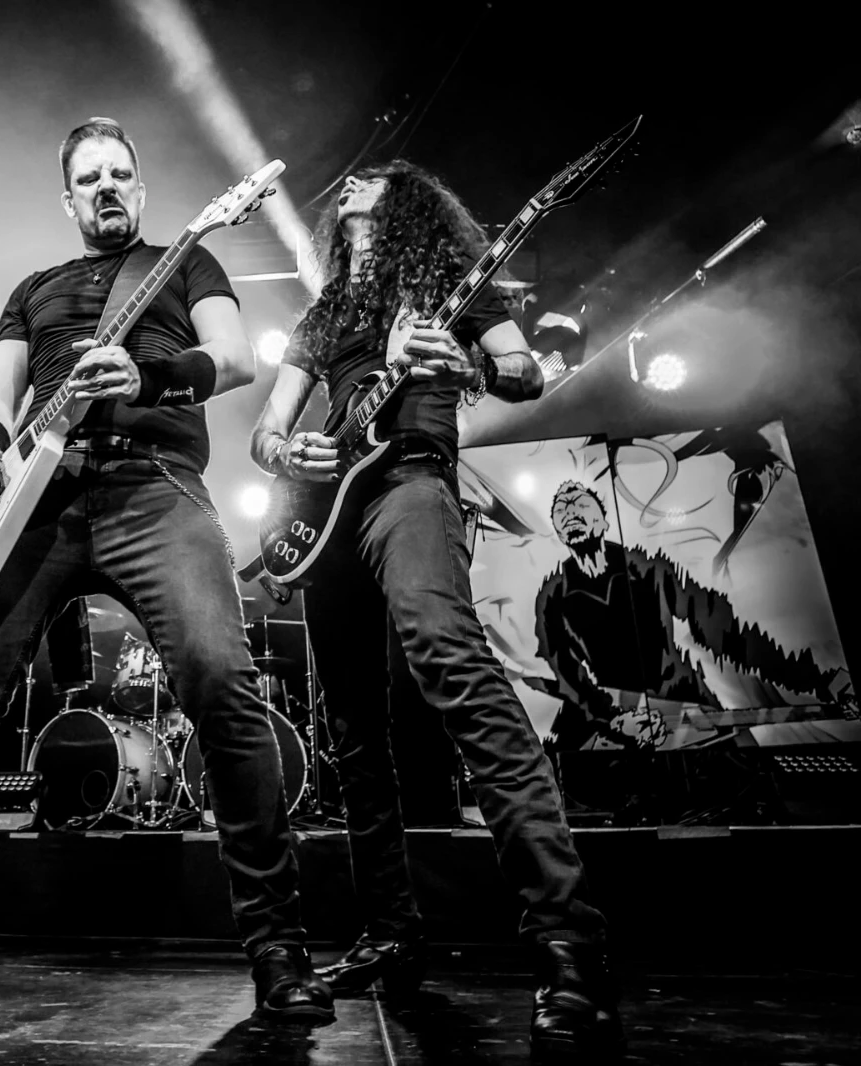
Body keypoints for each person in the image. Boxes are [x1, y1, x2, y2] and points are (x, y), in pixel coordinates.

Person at [0, 118, 334, 1023]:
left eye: (120, 173)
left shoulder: (185, 263)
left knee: (221, 682)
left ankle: (279, 952)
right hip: (40, 502)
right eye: (89, 178)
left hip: (154, 485)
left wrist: (148, 378)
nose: (106, 187)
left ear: (140, 187)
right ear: (68, 198)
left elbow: (236, 357)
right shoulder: (34, 290)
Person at [249, 162, 621, 1057]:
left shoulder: (454, 283)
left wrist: (466, 363)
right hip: (327, 513)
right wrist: (286, 454)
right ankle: (390, 932)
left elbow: (524, 373)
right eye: (347, 183)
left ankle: (569, 945)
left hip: (411, 480)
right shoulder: (325, 312)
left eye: (371, 179)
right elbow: (268, 429)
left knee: (454, 665)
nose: (350, 185)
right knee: (351, 729)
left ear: (407, 200)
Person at [534, 478, 853, 751]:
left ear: (604, 521)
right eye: (561, 509)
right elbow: (566, 672)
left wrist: (819, 680)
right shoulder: (552, 597)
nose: (570, 511)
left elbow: (727, 634)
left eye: (579, 503)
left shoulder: (650, 568)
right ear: (558, 531)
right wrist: (615, 719)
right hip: (610, 719)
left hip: (684, 704)